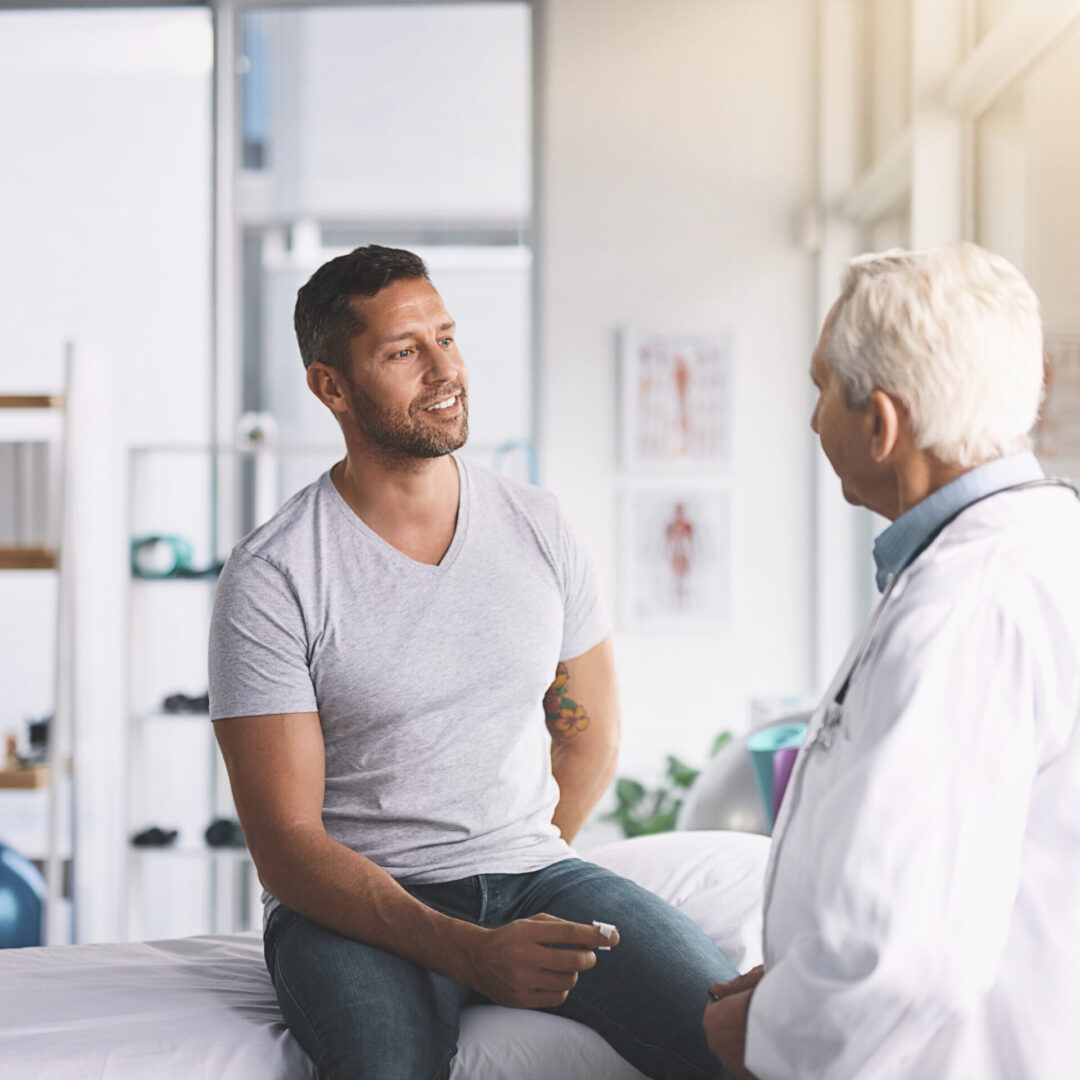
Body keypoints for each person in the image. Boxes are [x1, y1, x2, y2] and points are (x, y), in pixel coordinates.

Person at [209, 244, 740, 1080]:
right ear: (331, 387)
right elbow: (285, 846)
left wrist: (528, 860)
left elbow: (590, 732)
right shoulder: (275, 573)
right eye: (403, 351)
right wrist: (471, 952)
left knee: (738, 1039)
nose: (443, 370)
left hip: (534, 873)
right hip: (354, 906)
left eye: (446, 337)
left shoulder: (538, 525)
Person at [703, 243, 1080, 1079]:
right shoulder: (1034, 550)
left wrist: (767, 1034)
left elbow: (901, 951)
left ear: (881, 424)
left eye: (820, 391)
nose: (810, 421)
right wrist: (797, 985)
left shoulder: (968, 604)